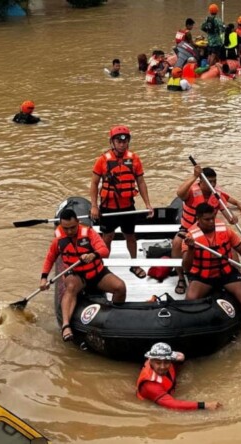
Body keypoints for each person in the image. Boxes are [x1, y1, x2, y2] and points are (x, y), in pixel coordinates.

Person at [182, 203, 241, 348]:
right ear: (198, 219)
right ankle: (189, 339)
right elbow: (186, 266)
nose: (211, 222)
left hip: (226, 272)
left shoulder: (225, 231)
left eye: (212, 218)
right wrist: (191, 248)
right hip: (204, 276)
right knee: (190, 301)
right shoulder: (190, 236)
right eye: (207, 220)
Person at [39, 209, 126, 342]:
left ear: (78, 223)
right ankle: (66, 325)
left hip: (96, 273)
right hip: (76, 275)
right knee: (71, 287)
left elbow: (104, 250)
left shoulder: (89, 233)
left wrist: (93, 254)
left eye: (72, 228)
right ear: (61, 226)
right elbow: (50, 258)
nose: (69, 231)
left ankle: (116, 317)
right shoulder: (58, 240)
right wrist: (44, 278)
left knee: (120, 287)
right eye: (66, 228)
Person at [90, 125, 153, 279]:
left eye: (125, 141)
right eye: (118, 141)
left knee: (130, 236)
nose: (122, 144)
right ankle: (103, 267)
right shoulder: (102, 160)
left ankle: (135, 264)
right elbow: (93, 184)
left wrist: (147, 204)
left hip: (127, 207)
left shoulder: (134, 159)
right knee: (107, 237)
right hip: (108, 207)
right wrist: (94, 206)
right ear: (112, 142)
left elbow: (141, 182)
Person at [172, 165, 241, 295]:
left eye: (214, 181)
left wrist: (232, 217)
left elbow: (225, 207)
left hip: (209, 227)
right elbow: (179, 193)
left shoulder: (216, 194)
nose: (212, 184)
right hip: (189, 228)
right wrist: (195, 175)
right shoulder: (191, 192)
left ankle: (237, 276)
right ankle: (180, 278)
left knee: (231, 246)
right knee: (177, 243)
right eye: (209, 181)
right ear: (200, 181)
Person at [136, 342, 222, 411]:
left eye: (166, 362)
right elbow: (173, 404)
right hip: (155, 403)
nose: (162, 367)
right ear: (151, 362)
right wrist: (205, 405)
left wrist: (181, 359)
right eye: (158, 363)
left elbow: (180, 357)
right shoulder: (150, 385)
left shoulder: (171, 362)